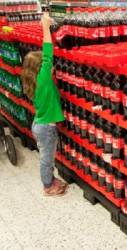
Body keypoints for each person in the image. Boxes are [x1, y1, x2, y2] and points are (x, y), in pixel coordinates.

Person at [21, 13, 68, 196]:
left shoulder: (32, 81)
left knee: (47, 157)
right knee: (46, 160)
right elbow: (48, 54)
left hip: (39, 124)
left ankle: (50, 179)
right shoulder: (43, 80)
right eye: (46, 66)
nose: (50, 67)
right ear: (41, 69)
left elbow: (46, 60)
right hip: (46, 129)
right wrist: (45, 27)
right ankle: (48, 186)